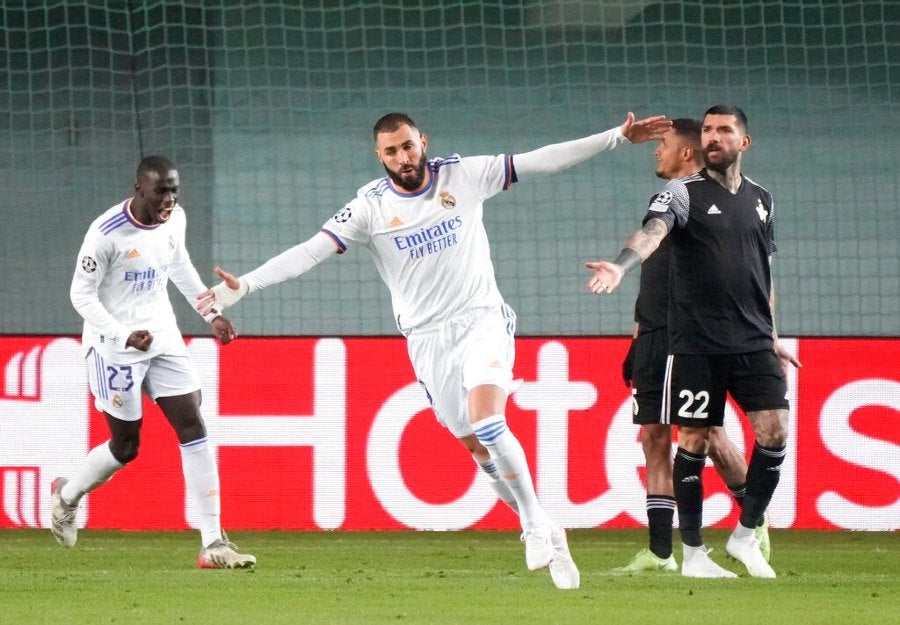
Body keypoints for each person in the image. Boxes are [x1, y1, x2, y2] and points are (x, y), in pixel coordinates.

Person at [196, 111, 672, 589]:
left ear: (422, 141)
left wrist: (614, 136)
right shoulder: (369, 208)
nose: (403, 157)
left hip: (481, 319)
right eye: (391, 151)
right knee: (474, 445)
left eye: (408, 146)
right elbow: (309, 251)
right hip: (427, 340)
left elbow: (540, 161)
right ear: (378, 156)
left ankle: (532, 523)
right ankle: (551, 528)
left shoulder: (463, 175)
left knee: (488, 421)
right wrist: (248, 284)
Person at [585, 105, 801, 579]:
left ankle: (747, 531)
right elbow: (651, 234)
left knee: (764, 433)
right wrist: (620, 267)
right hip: (692, 340)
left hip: (741, 340)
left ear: (743, 142)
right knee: (690, 437)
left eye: (723, 130)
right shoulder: (680, 196)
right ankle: (688, 553)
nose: (713, 137)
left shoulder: (763, 199)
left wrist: (773, 334)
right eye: (707, 130)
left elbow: (761, 273)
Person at [54, 156, 256, 569]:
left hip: (162, 337)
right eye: (160, 191)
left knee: (193, 423)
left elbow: (179, 267)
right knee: (126, 447)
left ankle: (214, 542)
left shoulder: (175, 220)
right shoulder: (105, 235)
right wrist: (121, 333)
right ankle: (67, 496)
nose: (168, 199)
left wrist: (212, 313)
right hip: (115, 348)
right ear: (138, 189)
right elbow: (81, 296)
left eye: (174, 190)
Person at [614, 118, 761, 574]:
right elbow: (655, 273)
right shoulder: (668, 201)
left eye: (662, 145)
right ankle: (661, 553)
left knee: (707, 435)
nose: (655, 152)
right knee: (653, 437)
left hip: (691, 337)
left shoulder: (708, 201)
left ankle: (754, 526)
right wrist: (638, 335)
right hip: (654, 334)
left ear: (685, 152)